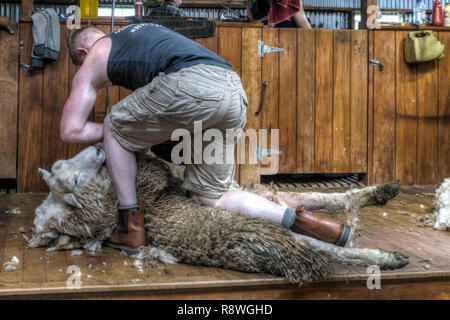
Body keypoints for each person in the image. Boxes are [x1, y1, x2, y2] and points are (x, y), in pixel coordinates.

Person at [62, 23, 349, 254]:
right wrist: (143, 132)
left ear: (83, 51)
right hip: (232, 91)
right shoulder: (139, 33)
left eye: (79, 62)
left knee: (114, 125)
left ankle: (129, 229)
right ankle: (302, 220)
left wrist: (122, 135)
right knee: (211, 197)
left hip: (190, 85)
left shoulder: (95, 57)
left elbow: (70, 130)